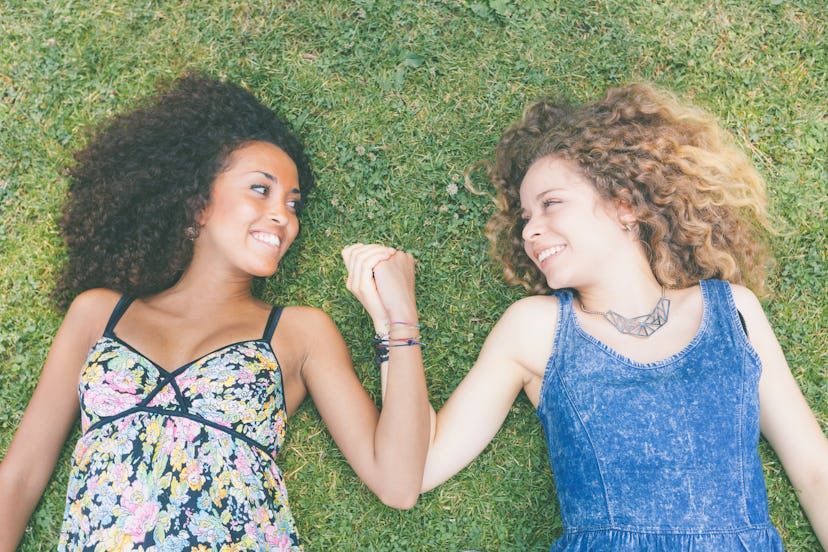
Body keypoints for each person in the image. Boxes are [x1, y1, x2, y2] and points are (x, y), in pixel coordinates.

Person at [355, 83, 828, 550]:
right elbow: (417, 469)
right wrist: (396, 323)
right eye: (524, 219)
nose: (531, 231)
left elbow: (812, 469)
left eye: (551, 203)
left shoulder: (733, 311)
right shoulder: (536, 330)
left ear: (624, 204)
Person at [0, 73, 429, 551]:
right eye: (260, 190)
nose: (284, 216)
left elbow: (397, 483)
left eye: (293, 203)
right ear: (198, 202)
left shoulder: (299, 332)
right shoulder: (99, 315)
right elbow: (19, 477)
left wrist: (400, 318)